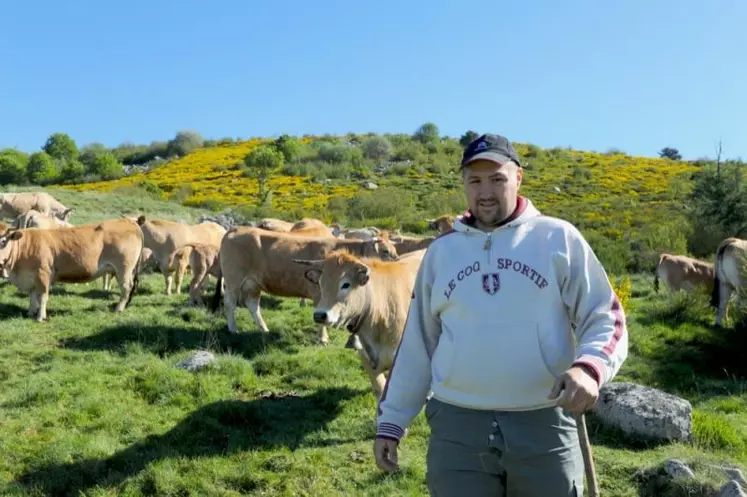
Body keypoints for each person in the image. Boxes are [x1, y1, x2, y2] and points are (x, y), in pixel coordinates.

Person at [373, 133, 629, 496]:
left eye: (497, 179)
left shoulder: (557, 238)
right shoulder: (441, 254)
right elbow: (418, 344)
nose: (485, 191)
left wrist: (589, 367)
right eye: (474, 181)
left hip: (544, 424)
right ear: (463, 183)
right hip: (457, 428)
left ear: (518, 178)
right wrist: (392, 421)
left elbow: (605, 316)